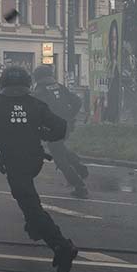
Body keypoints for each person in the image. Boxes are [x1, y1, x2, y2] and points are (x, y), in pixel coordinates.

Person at [0, 66, 78, 272]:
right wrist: (40, 131)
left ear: (2, 83)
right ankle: (34, 228)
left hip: (14, 163)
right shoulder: (36, 105)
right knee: (28, 200)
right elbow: (60, 128)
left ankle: (62, 246)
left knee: (31, 206)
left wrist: (1, 124)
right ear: (28, 83)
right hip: (34, 161)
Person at [31, 65, 89, 198]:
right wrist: (70, 115)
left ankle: (79, 185)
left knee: (59, 159)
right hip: (66, 125)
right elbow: (77, 101)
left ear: (38, 77)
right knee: (59, 147)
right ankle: (79, 167)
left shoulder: (40, 91)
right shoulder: (59, 86)